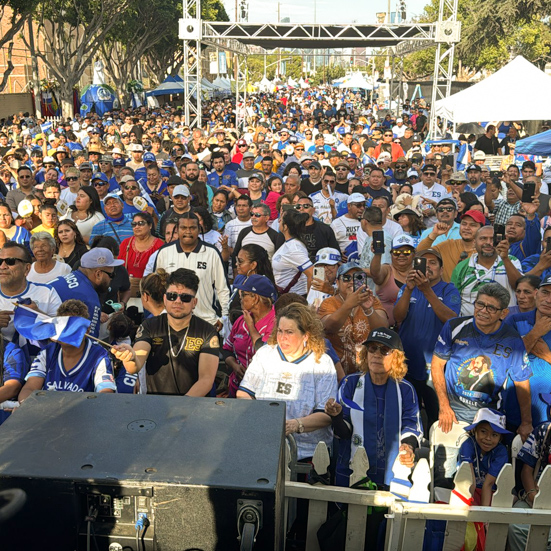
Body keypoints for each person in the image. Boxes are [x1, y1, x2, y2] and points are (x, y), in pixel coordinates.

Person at [431, 282, 533, 440]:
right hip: (452, 413)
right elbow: (437, 365)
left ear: (503, 313)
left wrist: (527, 422)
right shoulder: (454, 326)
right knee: (447, 462)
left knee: (486, 464)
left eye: (491, 308)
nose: (483, 311)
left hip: (489, 419)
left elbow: (522, 382)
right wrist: (444, 406)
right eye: (480, 304)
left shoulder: (512, 339)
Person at [236, 302, 337, 461]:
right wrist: (261, 418)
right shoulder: (265, 354)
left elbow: (325, 415)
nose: (282, 338)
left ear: (306, 335)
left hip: (307, 453)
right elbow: (244, 393)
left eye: (289, 332)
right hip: (266, 445)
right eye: (280, 331)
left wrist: (295, 425)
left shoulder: (322, 363)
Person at [325, 327, 422, 487]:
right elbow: (343, 432)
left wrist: (408, 446)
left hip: (392, 471)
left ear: (396, 357)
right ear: (365, 353)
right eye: (372, 348)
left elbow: (411, 426)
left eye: (384, 350)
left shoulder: (405, 389)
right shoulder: (350, 384)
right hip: (353, 470)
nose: (376, 354)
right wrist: (336, 416)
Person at [111, 268, 220, 396]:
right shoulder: (149, 326)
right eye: (172, 296)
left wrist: (178, 407)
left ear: (194, 302)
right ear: (165, 298)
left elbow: (206, 379)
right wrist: (130, 357)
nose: (177, 301)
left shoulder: (207, 331)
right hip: (156, 405)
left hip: (193, 406)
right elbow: (134, 367)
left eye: (185, 297)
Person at [394, 248, 461, 430]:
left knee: (436, 414)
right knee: (406, 412)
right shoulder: (407, 288)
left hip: (436, 365)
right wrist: (408, 290)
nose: (428, 266)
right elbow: (397, 317)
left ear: (441, 269)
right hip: (407, 361)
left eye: (433, 263)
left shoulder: (449, 289)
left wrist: (427, 290)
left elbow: (451, 320)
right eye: (423, 262)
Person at [18, 299, 116, 400]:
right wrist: (25, 406)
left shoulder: (99, 355)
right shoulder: (47, 352)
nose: (68, 332)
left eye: (73, 327)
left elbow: (106, 394)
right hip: (48, 412)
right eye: (63, 327)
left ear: (87, 329)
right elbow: (29, 388)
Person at [154, 213, 230, 329]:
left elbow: (222, 289)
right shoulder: (165, 252)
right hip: (172, 321)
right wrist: (160, 313)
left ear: (199, 229)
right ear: (177, 230)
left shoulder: (211, 253)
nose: (188, 231)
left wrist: (224, 317)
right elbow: (157, 287)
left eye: (192, 228)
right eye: (183, 228)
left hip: (206, 321)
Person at [319, 262, 388, 375]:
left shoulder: (372, 300)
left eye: (358, 277)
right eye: (346, 278)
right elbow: (328, 328)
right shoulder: (329, 303)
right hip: (337, 372)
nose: (351, 281)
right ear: (337, 282)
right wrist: (348, 305)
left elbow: (382, 331)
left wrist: (368, 309)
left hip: (368, 371)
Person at [0, 242, 62, 351]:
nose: (3, 266)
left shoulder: (46, 292)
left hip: (40, 362)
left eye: (10, 261)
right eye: (0, 261)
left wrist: (40, 316)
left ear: (27, 269)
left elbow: (64, 333)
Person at [50, 247, 124, 338]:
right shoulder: (89, 299)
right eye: (111, 275)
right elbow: (88, 342)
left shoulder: (69, 276)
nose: (112, 279)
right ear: (98, 274)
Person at [222, 275, 277, 397]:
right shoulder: (241, 320)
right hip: (236, 387)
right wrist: (234, 366)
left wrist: (251, 327)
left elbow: (265, 353)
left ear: (255, 298)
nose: (240, 298)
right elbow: (226, 350)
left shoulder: (276, 323)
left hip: (263, 391)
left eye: (243, 294)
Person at [451, 226, 522, 316]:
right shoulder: (461, 267)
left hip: (504, 324)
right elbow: (454, 299)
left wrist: (505, 258)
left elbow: (519, 287)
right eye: (483, 238)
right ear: (474, 242)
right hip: (470, 323)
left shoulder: (511, 261)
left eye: (493, 239)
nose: (488, 243)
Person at [508, 416, 551, 551]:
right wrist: (533, 496)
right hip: (533, 496)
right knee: (514, 526)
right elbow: (526, 471)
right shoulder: (544, 431)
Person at [458, 408, 511, 506]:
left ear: (500, 437)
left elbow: (488, 484)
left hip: (492, 491)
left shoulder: (501, 452)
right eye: (483, 431)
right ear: (474, 430)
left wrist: (483, 515)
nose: (488, 438)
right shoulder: (468, 445)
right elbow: (470, 482)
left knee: (508, 501)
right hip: (468, 489)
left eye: (494, 435)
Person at [417, 209, 484, 281]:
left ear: (482, 229)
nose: (467, 228)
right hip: (448, 291)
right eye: (464, 224)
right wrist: (433, 235)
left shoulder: (485, 251)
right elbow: (419, 253)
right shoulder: (447, 245)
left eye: (473, 225)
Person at [370, 234, 416, 325]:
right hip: (390, 330)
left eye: (406, 252)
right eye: (397, 252)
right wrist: (377, 254)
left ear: (414, 254)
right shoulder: (387, 270)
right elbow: (375, 274)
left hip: (414, 330)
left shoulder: (419, 273)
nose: (401, 255)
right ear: (391, 254)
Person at [118, 212, 163, 296]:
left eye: (141, 223)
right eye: (134, 224)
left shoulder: (159, 245)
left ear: (150, 226)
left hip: (151, 291)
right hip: (126, 291)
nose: (137, 227)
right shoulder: (126, 243)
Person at [272, 209, 314, 296]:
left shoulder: (294, 248)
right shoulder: (289, 243)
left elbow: (312, 274)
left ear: (285, 226)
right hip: (286, 296)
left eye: (281, 219)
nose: (279, 220)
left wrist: (310, 302)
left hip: (295, 298)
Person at [330, 193, 365, 260]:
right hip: (346, 262)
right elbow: (330, 244)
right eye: (358, 205)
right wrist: (337, 254)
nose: (362, 208)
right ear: (349, 206)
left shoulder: (367, 221)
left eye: (364, 205)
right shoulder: (337, 223)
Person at [307, 247, 340, 311]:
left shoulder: (346, 281)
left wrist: (331, 291)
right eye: (321, 265)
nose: (325, 269)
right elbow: (309, 308)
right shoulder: (317, 283)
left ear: (338, 266)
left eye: (329, 265)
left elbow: (350, 301)